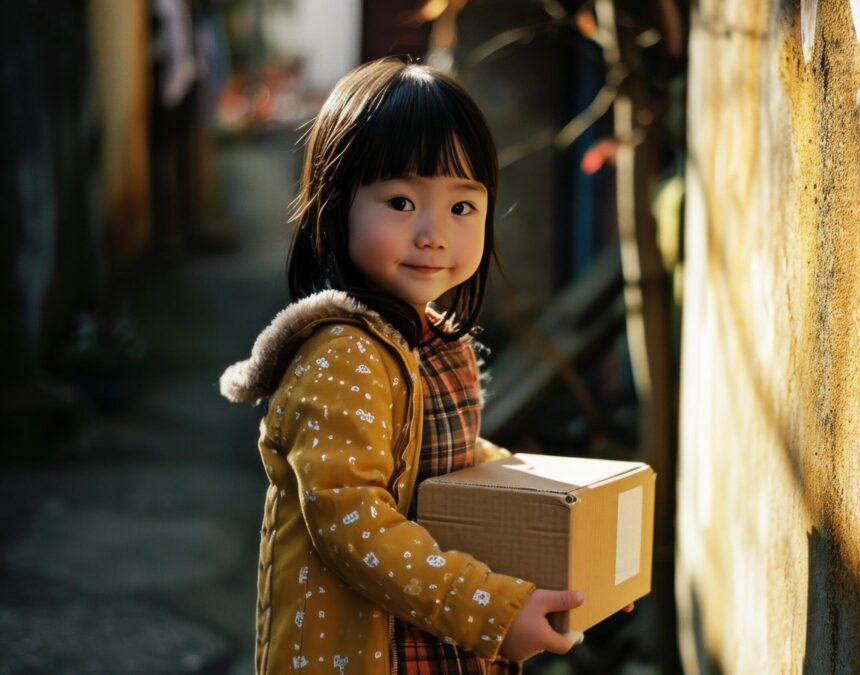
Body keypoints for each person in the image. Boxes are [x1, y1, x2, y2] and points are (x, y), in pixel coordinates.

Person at [220, 57, 592, 674]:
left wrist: (582, 551)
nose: (433, 234)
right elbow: (353, 523)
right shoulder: (345, 353)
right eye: (400, 200)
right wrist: (493, 614)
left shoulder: (434, 340)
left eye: (462, 207)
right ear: (334, 207)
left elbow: (449, 461)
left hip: (428, 641)